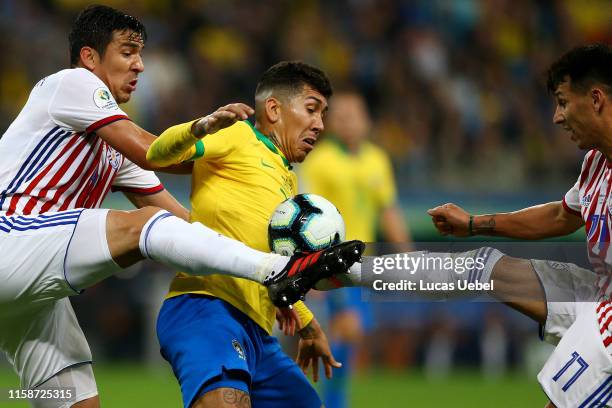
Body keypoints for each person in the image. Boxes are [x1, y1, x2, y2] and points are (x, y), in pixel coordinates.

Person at [0, 6, 361, 408]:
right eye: (127, 52)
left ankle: (279, 273)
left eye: (141, 54)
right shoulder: (72, 84)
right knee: (145, 224)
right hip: (10, 236)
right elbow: (152, 154)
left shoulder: (113, 152)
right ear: (90, 57)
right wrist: (202, 126)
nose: (139, 65)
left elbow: (186, 231)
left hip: (31, 296)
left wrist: (291, 301)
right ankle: (277, 270)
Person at [316, 45, 612, 408]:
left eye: (564, 102)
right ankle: (336, 270)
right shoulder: (597, 164)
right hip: (599, 295)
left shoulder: (372, 160)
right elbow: (560, 217)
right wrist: (473, 224)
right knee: (481, 268)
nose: (556, 117)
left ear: (596, 99)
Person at [147, 61, 361, 408]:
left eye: (323, 114)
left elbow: (268, 262)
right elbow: (155, 154)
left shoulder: (287, 178)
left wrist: (309, 325)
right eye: (311, 109)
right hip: (207, 308)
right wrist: (201, 126)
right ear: (274, 109)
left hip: (257, 333)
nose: (320, 124)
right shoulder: (238, 136)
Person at [299, 90, 411, 408]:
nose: (348, 122)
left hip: (365, 266)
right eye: (341, 116)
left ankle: (317, 394)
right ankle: (331, 402)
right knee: (349, 329)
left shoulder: (377, 159)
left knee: (347, 335)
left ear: (367, 120)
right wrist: (311, 267)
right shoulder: (319, 161)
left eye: (354, 115)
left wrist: (410, 256)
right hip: (332, 263)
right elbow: (308, 216)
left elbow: (388, 210)